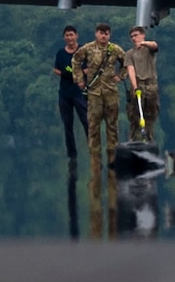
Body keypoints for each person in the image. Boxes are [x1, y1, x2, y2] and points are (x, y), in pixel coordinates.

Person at [71, 22, 129, 176]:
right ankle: (95, 162)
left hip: (110, 92)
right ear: (96, 33)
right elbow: (75, 60)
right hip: (94, 93)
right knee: (93, 127)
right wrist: (79, 79)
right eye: (101, 32)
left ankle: (113, 161)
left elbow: (126, 61)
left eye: (106, 33)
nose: (104, 35)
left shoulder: (114, 49)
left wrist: (121, 76)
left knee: (112, 127)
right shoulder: (88, 48)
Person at [53, 24, 87, 159]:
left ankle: (93, 150)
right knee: (67, 124)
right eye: (67, 35)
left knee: (86, 122)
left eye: (71, 34)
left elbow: (89, 68)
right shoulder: (60, 53)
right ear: (64, 37)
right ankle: (72, 154)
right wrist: (69, 74)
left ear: (76, 36)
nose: (69, 37)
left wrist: (76, 74)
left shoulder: (83, 51)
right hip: (64, 93)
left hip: (80, 92)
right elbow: (56, 69)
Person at [126, 25, 161, 143]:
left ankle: (149, 139)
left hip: (151, 84)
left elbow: (155, 45)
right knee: (135, 114)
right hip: (138, 84)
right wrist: (135, 87)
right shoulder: (130, 54)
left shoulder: (149, 49)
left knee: (151, 115)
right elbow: (130, 70)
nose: (133, 38)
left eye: (136, 35)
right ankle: (134, 140)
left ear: (142, 35)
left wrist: (144, 43)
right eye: (132, 36)